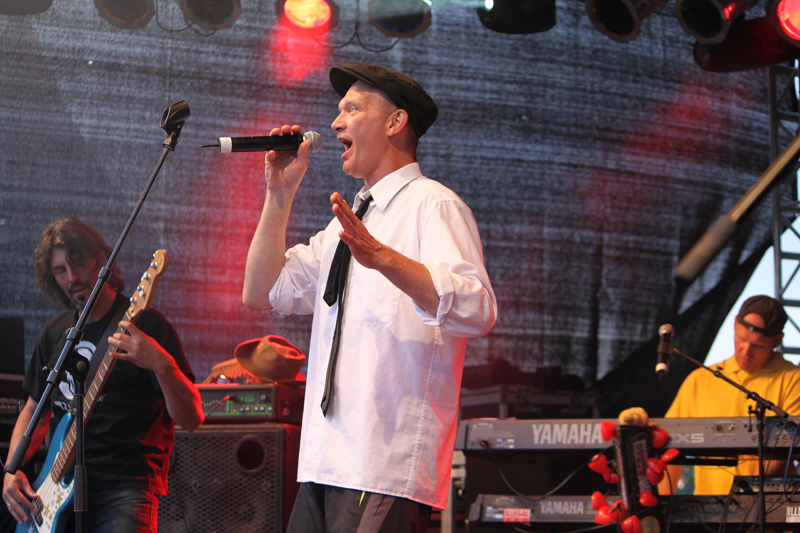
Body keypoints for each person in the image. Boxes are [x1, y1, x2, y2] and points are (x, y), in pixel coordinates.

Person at [243, 62, 497, 531]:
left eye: (352, 110)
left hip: (384, 465)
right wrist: (278, 193)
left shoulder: (433, 204)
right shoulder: (348, 223)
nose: (335, 122)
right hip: (322, 460)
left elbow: (477, 308)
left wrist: (383, 258)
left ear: (396, 122)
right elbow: (262, 291)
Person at [2, 217, 204, 532]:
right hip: (55, 491)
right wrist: (12, 470)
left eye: (78, 262)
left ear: (99, 259)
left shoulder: (145, 325)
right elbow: (33, 410)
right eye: (60, 270)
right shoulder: (55, 333)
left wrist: (163, 365)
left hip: (125, 486)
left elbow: (191, 418)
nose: (72, 277)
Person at [659, 295, 800, 496]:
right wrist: (664, 507)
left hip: (765, 509)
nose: (745, 351)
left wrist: (745, 501)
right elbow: (670, 448)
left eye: (757, 346)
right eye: (741, 339)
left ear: (777, 340)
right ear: (734, 324)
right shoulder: (700, 380)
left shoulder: (793, 379)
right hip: (707, 509)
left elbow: (784, 451)